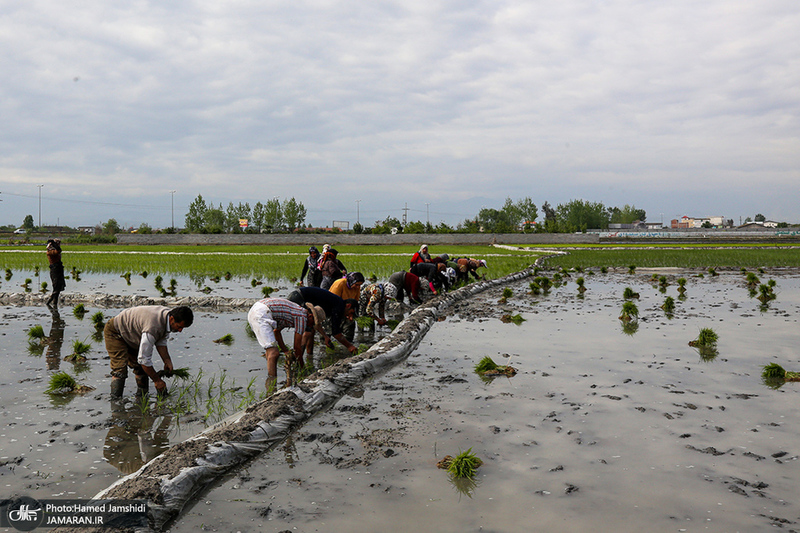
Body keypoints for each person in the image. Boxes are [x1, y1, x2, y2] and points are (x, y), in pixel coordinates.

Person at [106, 306, 194, 399]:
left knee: (141, 369)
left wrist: (167, 360)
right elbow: (144, 359)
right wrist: (157, 381)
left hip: (132, 333)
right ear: (172, 319)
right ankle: (116, 402)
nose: (180, 331)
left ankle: (141, 398)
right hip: (116, 332)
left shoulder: (168, 318)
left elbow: (161, 341)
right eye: (179, 327)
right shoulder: (153, 327)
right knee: (120, 370)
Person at [247, 297, 321, 390]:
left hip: (257, 310)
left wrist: (285, 351)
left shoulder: (294, 311)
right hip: (262, 313)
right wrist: (303, 369)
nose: (311, 326)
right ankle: (271, 386)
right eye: (312, 323)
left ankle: (271, 383)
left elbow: (276, 332)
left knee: (270, 352)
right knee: (273, 353)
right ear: (310, 316)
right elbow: (297, 348)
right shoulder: (302, 317)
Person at [287, 287, 359, 355]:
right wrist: (350, 346)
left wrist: (325, 336)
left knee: (311, 328)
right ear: (348, 306)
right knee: (308, 331)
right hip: (298, 298)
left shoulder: (337, 304)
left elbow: (316, 323)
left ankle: (309, 355)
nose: (350, 317)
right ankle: (298, 359)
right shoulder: (339, 306)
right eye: (351, 313)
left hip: (296, 295)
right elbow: (336, 333)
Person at [328, 272, 364, 340]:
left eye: (359, 285)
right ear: (351, 281)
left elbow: (355, 301)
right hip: (333, 309)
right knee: (330, 330)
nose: (358, 287)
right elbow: (332, 301)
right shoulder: (340, 283)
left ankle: (348, 343)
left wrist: (351, 314)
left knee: (350, 324)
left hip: (347, 309)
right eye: (356, 285)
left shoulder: (357, 287)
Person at [45, 238, 66, 307]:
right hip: (55, 270)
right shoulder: (50, 252)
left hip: (59, 269)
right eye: (58, 243)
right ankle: (49, 302)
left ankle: (54, 303)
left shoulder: (53, 250)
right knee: (56, 287)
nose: (59, 244)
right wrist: (53, 243)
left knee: (58, 287)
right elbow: (58, 251)